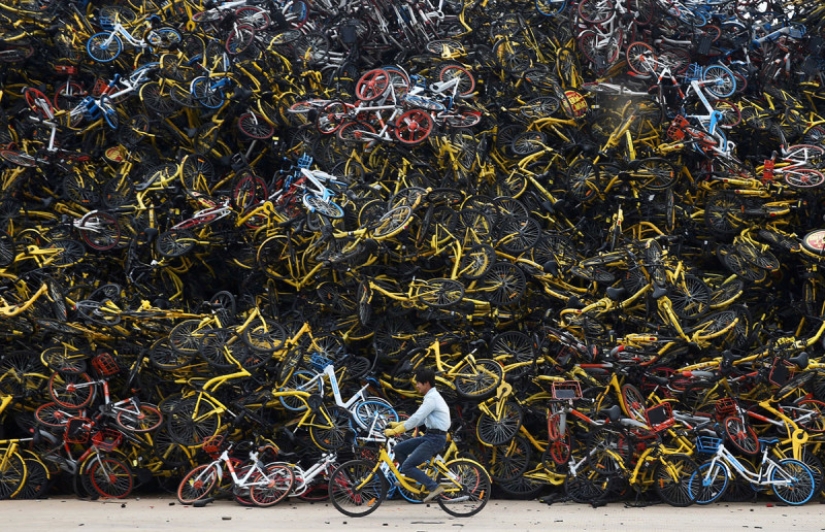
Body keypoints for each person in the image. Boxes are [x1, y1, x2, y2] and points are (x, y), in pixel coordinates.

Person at [383, 367, 451, 503]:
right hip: (430, 436)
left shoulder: (432, 399)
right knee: (398, 449)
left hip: (435, 438)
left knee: (408, 465)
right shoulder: (431, 397)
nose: (417, 386)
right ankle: (412, 480)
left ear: (426, 383)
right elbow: (419, 419)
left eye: (418, 383)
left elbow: (416, 418)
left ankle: (434, 487)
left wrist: (396, 431)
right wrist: (398, 424)